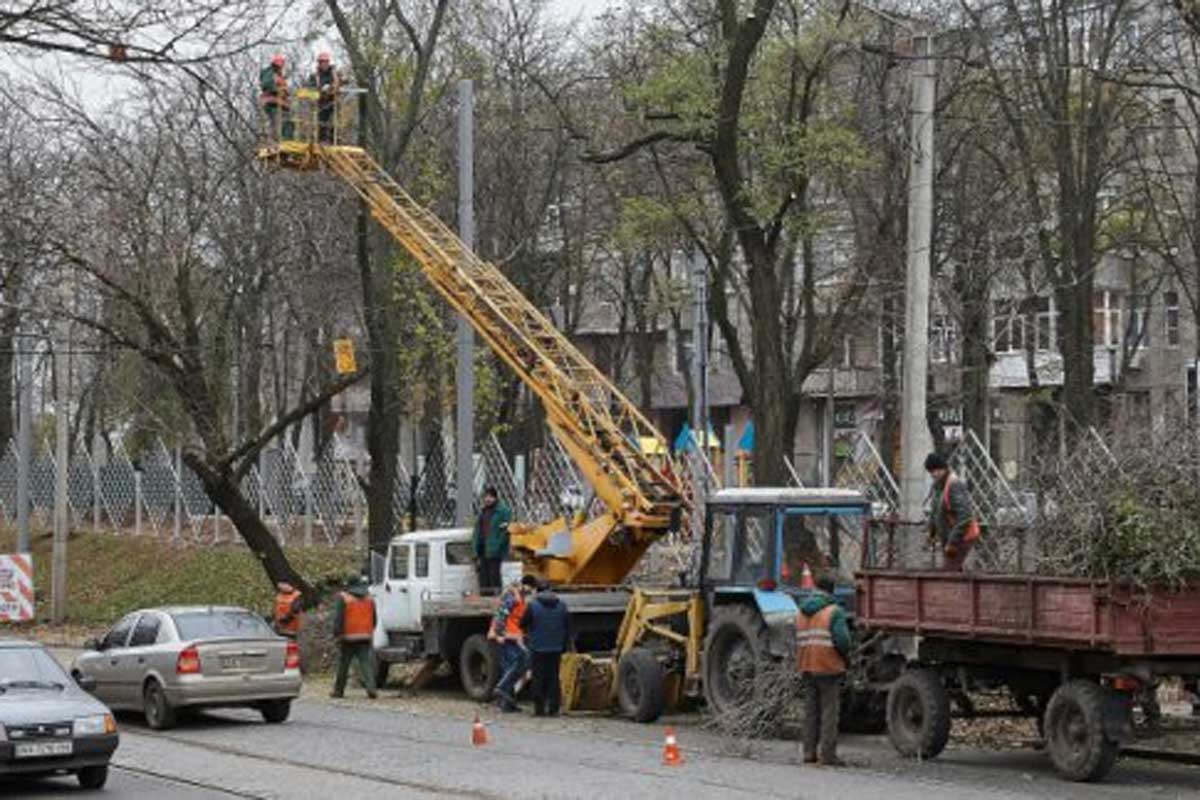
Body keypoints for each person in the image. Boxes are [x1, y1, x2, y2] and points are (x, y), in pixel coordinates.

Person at [796, 574, 851, 767]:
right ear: (831, 591)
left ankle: (808, 753)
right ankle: (828, 755)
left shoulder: (802, 611)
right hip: (828, 667)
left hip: (807, 666)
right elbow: (843, 641)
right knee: (829, 712)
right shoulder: (834, 611)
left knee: (811, 711)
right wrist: (846, 658)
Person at [520, 580, 572, 717]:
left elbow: (523, 623)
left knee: (538, 678)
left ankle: (539, 709)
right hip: (556, 648)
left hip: (537, 647)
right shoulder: (562, 606)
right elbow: (568, 627)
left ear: (537, 591)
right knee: (554, 677)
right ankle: (554, 709)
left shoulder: (533, 606)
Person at [925, 451, 980, 572]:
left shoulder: (954, 485)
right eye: (931, 472)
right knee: (954, 571)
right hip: (950, 538)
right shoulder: (938, 486)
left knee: (949, 572)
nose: (933, 474)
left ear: (943, 469)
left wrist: (953, 542)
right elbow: (935, 511)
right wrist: (931, 531)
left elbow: (965, 516)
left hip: (962, 538)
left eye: (935, 470)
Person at [490, 574, 537, 712]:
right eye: (531, 588)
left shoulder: (519, 597)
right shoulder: (512, 596)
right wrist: (499, 634)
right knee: (516, 665)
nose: (532, 591)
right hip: (508, 637)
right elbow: (501, 614)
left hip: (513, 636)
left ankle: (508, 703)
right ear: (526, 585)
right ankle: (502, 691)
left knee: (513, 666)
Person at [331, 576, 377, 699]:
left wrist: (337, 634)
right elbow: (374, 619)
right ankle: (371, 689)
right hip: (365, 636)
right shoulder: (370, 598)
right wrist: (369, 630)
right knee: (365, 663)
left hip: (348, 637)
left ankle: (338, 691)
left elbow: (339, 619)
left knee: (344, 665)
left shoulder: (344, 597)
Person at [473, 487, 512, 594]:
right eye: (486, 497)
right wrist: (475, 550)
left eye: (490, 496)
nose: (487, 499)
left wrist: (498, 545)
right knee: (483, 578)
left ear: (495, 497)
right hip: (483, 549)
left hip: (495, 550)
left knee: (494, 576)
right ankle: (485, 601)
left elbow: (505, 531)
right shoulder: (483, 511)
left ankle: (495, 601)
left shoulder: (503, 511)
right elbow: (477, 531)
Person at [305, 51, 339, 143]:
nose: (324, 64)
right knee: (321, 121)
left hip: (332, 101)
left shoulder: (334, 73)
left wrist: (331, 88)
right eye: (322, 62)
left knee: (333, 122)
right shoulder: (315, 76)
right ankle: (322, 140)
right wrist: (318, 90)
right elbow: (309, 87)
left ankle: (333, 140)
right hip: (320, 102)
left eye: (326, 62)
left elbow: (340, 83)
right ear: (319, 63)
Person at [259, 53, 293, 140]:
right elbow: (266, 84)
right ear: (274, 65)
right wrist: (277, 90)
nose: (280, 68)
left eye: (281, 66)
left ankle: (286, 139)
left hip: (280, 103)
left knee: (289, 122)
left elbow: (283, 88)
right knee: (279, 122)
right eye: (279, 66)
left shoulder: (279, 75)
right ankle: (278, 140)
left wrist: (286, 92)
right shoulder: (269, 73)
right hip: (272, 102)